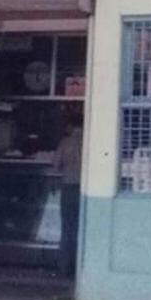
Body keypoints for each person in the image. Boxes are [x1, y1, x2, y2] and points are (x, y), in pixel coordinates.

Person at [55, 112, 83, 278]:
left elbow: (56, 164)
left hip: (68, 187)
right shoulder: (89, 140)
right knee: (82, 228)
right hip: (86, 190)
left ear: (71, 126)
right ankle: (79, 267)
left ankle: (64, 267)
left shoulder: (66, 142)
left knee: (67, 227)